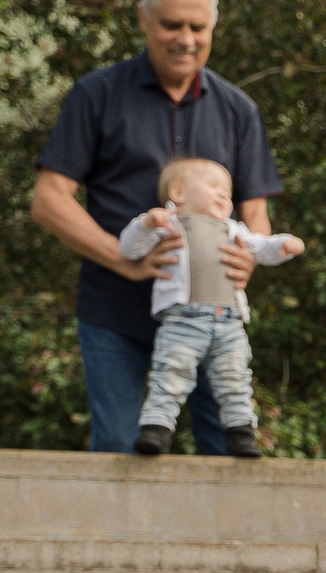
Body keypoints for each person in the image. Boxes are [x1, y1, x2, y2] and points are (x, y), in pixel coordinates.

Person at [32, 0, 285, 457]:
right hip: (115, 313)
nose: (186, 39)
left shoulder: (238, 110)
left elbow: (255, 211)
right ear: (144, 18)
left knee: (228, 450)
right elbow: (48, 199)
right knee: (122, 450)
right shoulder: (96, 94)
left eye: (198, 27)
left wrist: (249, 258)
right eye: (172, 24)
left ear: (213, 26)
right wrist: (121, 258)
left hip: (214, 315)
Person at [115, 157, 305, 456]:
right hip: (182, 320)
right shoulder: (168, 224)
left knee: (235, 380)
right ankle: (156, 430)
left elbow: (261, 246)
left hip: (228, 322)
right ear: (178, 193)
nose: (224, 195)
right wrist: (146, 224)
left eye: (228, 192)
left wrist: (283, 246)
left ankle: (242, 434)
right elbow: (129, 248)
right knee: (171, 374)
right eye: (214, 186)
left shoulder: (232, 229)